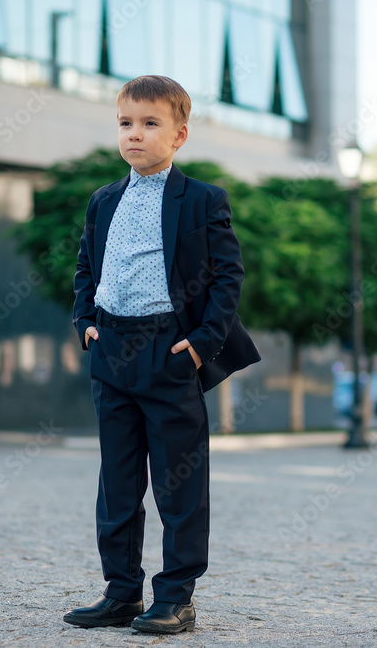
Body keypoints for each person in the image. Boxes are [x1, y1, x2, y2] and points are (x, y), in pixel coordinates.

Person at [64, 75, 260, 635]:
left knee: (178, 483)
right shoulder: (103, 200)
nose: (135, 135)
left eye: (151, 124)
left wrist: (201, 344)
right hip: (111, 350)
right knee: (118, 484)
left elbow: (228, 277)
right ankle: (121, 592)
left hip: (170, 349)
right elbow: (84, 269)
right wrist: (85, 323)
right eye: (126, 123)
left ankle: (176, 596)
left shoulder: (201, 199)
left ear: (179, 135)